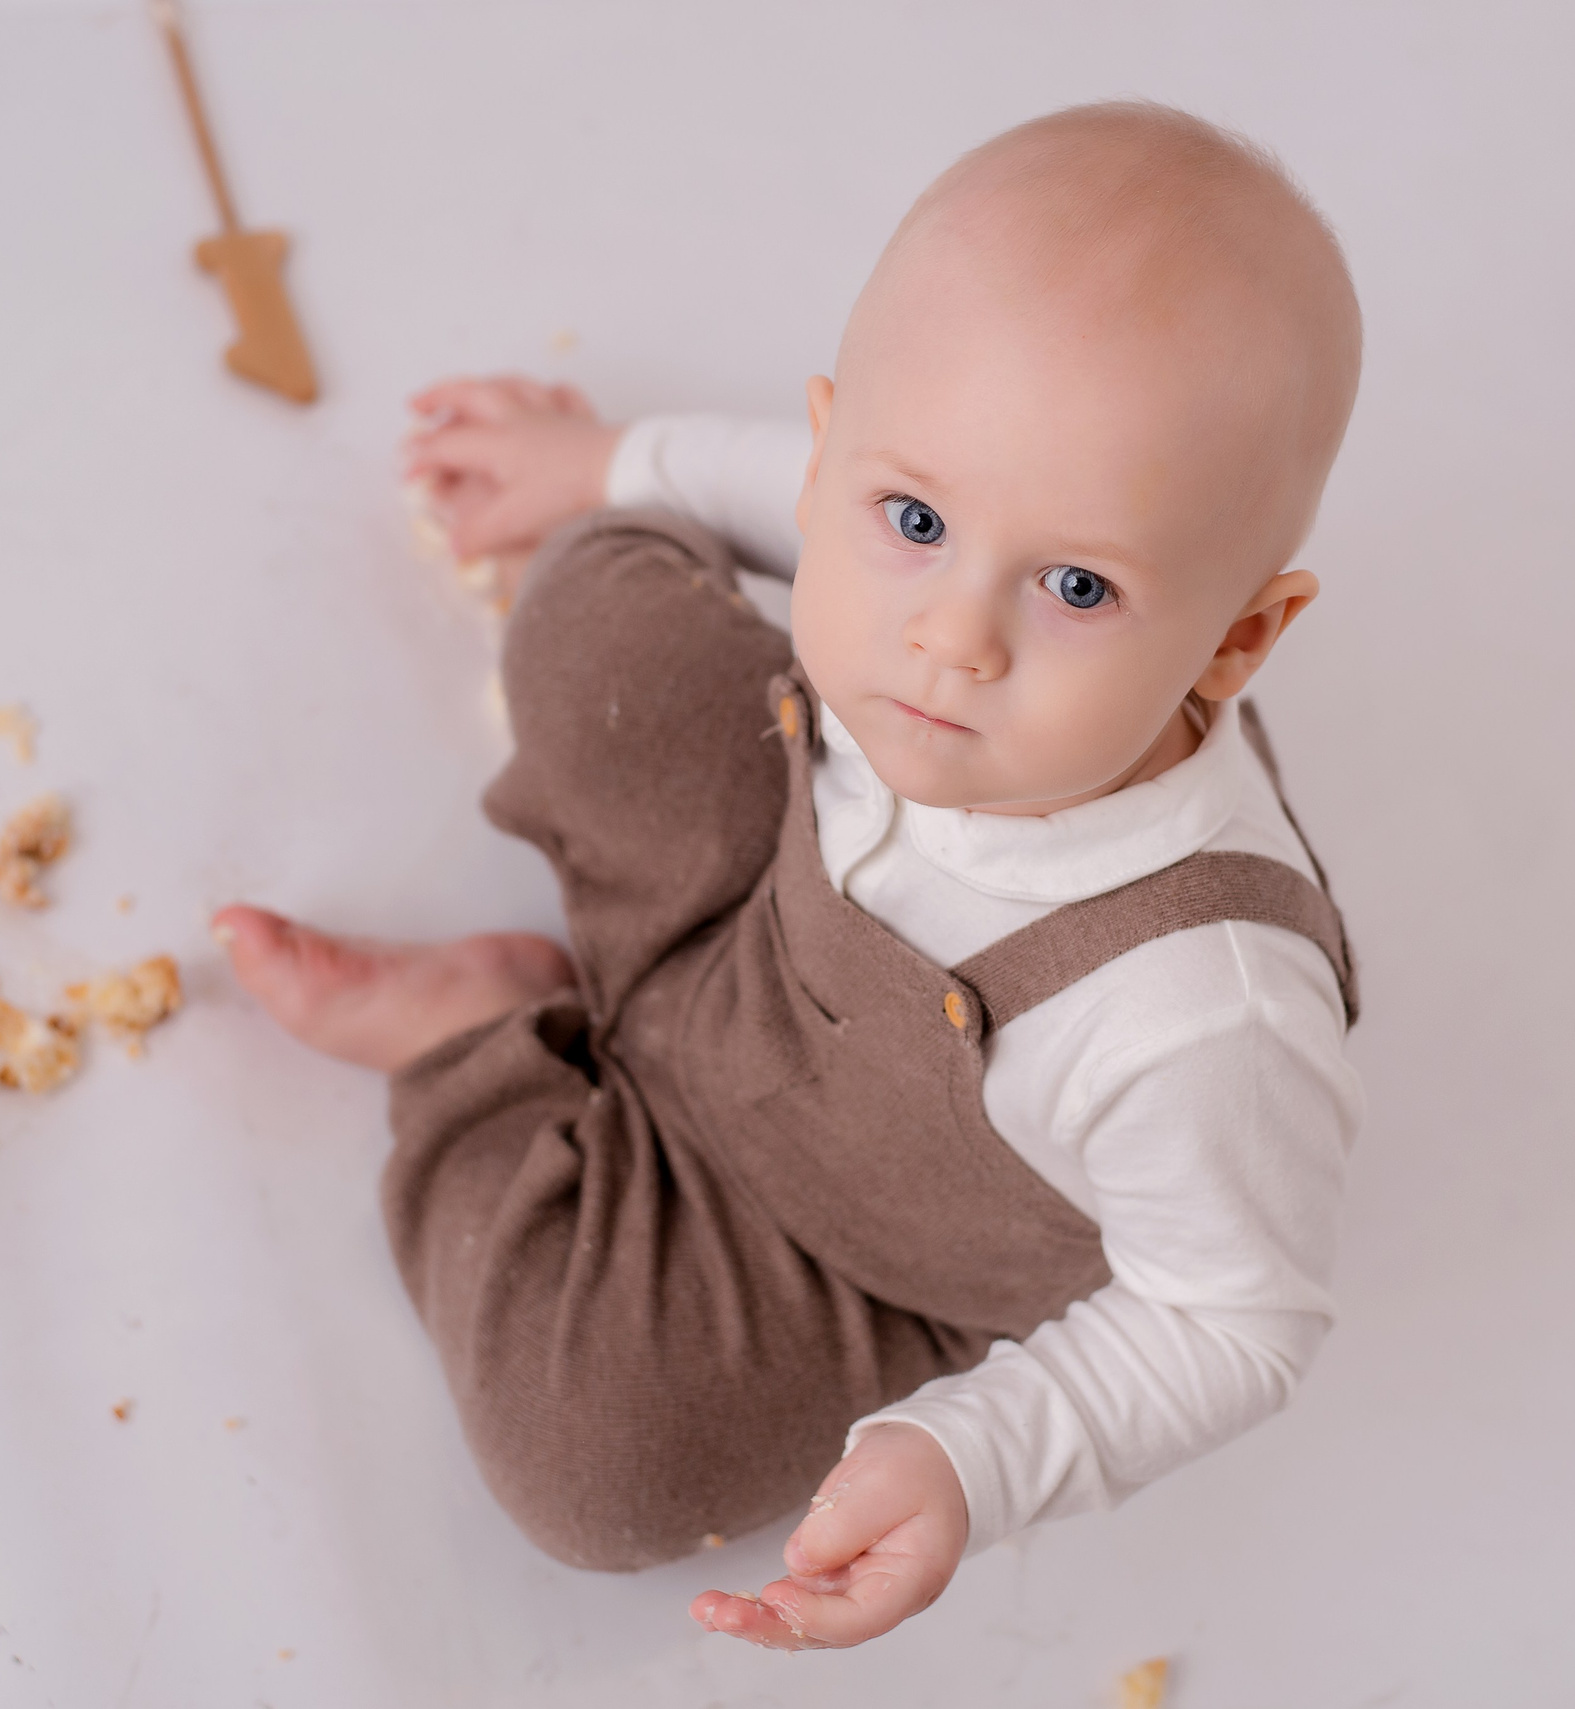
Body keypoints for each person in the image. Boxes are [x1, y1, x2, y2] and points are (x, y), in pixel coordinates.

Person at [213, 99, 1366, 1652]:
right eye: (917, 520)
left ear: (1235, 641)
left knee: (594, 1467)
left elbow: (1233, 1316)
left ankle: (472, 1045)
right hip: (749, 905)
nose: (952, 641)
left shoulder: (1197, 1015)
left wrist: (973, 1452)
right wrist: (614, 460)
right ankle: (636, 970)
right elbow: (810, 491)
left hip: (837, 1250)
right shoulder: (930, 615)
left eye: (1078, 585)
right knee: (605, 590)